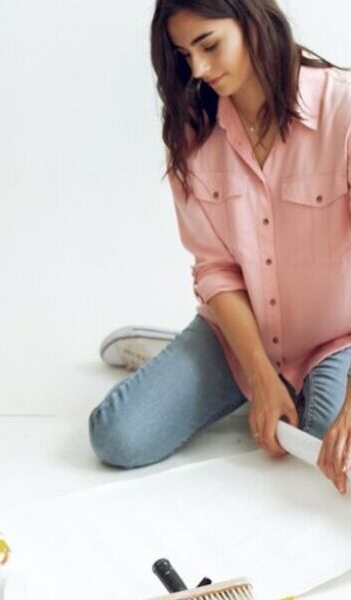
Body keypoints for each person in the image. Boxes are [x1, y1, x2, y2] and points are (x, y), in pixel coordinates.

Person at [90, 0, 351, 495]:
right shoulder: (193, 129)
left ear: (252, 19)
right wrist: (260, 375)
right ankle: (209, 368)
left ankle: (295, 386)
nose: (198, 69)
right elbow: (216, 268)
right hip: (239, 334)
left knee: (324, 457)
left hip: (334, 339)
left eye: (209, 45)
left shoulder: (342, 109)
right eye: (184, 54)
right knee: (117, 438)